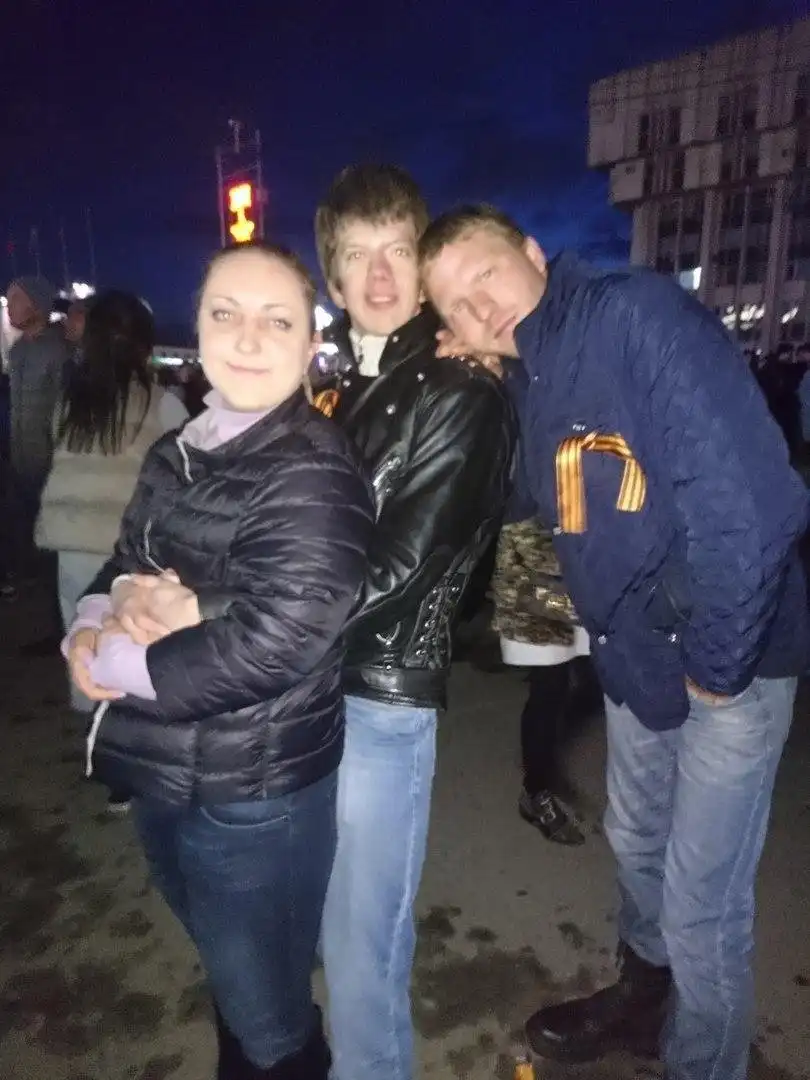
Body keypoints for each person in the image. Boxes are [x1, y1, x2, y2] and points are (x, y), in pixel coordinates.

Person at [419, 205, 808, 1080]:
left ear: (531, 250)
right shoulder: (530, 373)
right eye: (455, 306)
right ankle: (644, 998)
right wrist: (479, 389)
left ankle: (701, 1063)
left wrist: (717, 669)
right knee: (635, 839)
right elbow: (523, 502)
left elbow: (755, 508)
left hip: (730, 663)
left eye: (485, 275)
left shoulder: (632, 315)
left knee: (703, 906)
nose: (479, 308)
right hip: (636, 656)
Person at [63, 241, 375, 1079]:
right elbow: (124, 559)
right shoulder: (179, 449)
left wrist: (121, 666)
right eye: (225, 313)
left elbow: (283, 634)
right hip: (166, 769)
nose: (247, 337)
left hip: (255, 793)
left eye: (277, 320)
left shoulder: (313, 465)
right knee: (237, 983)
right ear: (197, 328)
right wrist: (87, 628)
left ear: (311, 343)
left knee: (268, 1022)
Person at [309, 164, 514, 1080]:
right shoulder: (339, 385)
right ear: (334, 275)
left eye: (398, 249)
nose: (382, 275)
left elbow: (401, 568)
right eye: (359, 255)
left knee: (363, 958)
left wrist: (243, 619)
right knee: (328, 936)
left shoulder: (457, 388)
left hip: (379, 701)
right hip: (311, 687)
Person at [36, 290, 184, 808]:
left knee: (85, 642)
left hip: (72, 539)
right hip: (129, 548)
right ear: (144, 344)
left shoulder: (69, 400)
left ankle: (99, 746)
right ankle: (125, 766)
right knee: (129, 646)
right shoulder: (162, 402)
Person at [491, 513, 589, 845]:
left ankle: (543, 780)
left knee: (580, 683)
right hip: (538, 579)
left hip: (585, 569)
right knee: (549, 686)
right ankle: (536, 792)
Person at [5, 275, 69, 585]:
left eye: (16, 299)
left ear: (37, 305)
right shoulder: (18, 350)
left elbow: (66, 410)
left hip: (50, 463)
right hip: (19, 459)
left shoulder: (59, 350)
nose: (9, 307)